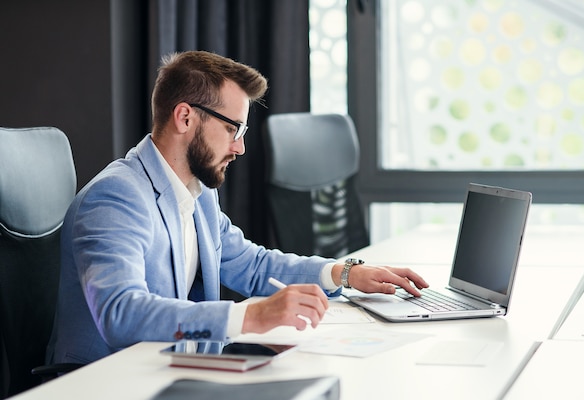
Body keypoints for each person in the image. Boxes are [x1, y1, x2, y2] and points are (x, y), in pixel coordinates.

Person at [48, 51, 428, 365]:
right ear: (185, 117)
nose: (240, 148)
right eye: (234, 129)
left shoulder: (198, 192)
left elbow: (254, 265)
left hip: (178, 373)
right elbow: (122, 313)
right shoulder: (117, 197)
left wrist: (343, 274)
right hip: (108, 389)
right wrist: (252, 315)